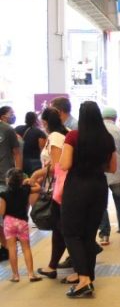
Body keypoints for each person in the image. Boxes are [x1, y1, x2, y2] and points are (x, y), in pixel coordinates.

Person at [60, 101, 117, 298]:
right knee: (88, 235)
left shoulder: (73, 136)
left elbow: (65, 164)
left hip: (77, 187)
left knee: (71, 233)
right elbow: (112, 168)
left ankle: (83, 280)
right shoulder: (106, 138)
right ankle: (88, 277)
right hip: (99, 187)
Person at [35, 107, 69, 280]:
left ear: (45, 122)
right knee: (59, 228)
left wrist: (37, 174)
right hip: (62, 189)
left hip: (58, 190)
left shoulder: (55, 137)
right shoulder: (65, 133)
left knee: (64, 229)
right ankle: (52, 266)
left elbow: (56, 165)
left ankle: (84, 259)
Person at [97, 106, 120, 245]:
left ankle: (104, 234)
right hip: (117, 172)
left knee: (101, 204)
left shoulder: (96, 131)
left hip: (100, 173)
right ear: (114, 118)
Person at [0, 169, 41, 281]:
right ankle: (31, 274)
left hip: (9, 222)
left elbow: (2, 212)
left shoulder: (3, 194)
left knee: (12, 249)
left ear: (7, 180)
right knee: (26, 248)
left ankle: (15, 275)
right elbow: (38, 188)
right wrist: (30, 181)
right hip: (22, 222)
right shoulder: (25, 190)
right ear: (21, 181)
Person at [0, 105, 22, 263]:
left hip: (5, 178)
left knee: (5, 216)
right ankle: (5, 246)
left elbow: (16, 152)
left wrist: (18, 174)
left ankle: (8, 246)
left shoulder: (7, 130)